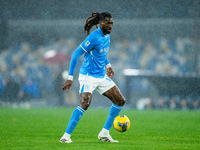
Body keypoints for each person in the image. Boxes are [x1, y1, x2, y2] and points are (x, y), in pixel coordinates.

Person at [60, 12, 126, 143]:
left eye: (112, 23)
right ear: (100, 23)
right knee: (85, 103)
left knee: (120, 101)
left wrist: (109, 65)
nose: (110, 25)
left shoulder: (107, 35)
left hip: (101, 76)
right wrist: (70, 78)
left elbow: (101, 53)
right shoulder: (93, 37)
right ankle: (65, 137)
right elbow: (75, 55)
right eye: (108, 23)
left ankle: (104, 133)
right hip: (88, 76)